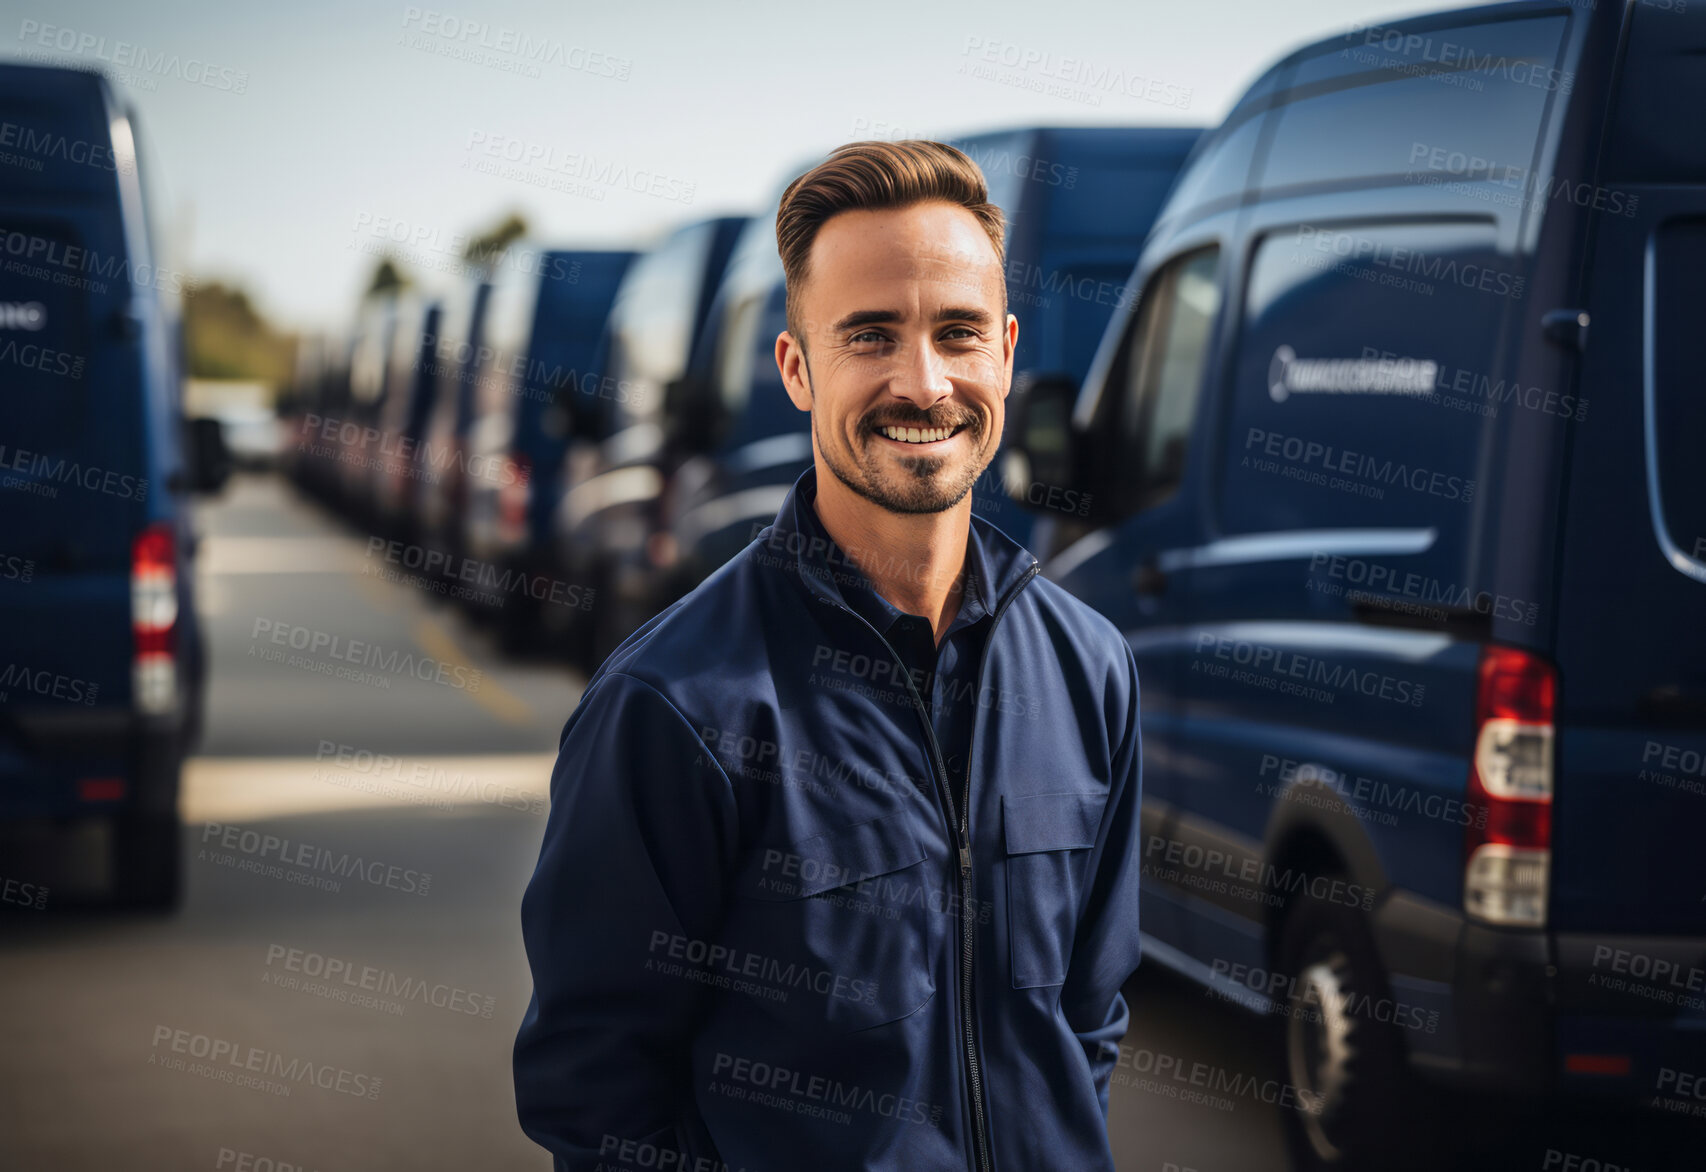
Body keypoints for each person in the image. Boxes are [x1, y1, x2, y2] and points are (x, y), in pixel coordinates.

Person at [514, 139, 1143, 1172]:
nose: (922, 381)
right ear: (797, 367)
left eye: (957, 333)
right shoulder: (672, 704)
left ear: (1006, 354)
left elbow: (1084, 1018)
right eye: (870, 336)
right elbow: (594, 1094)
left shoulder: (1089, 669)